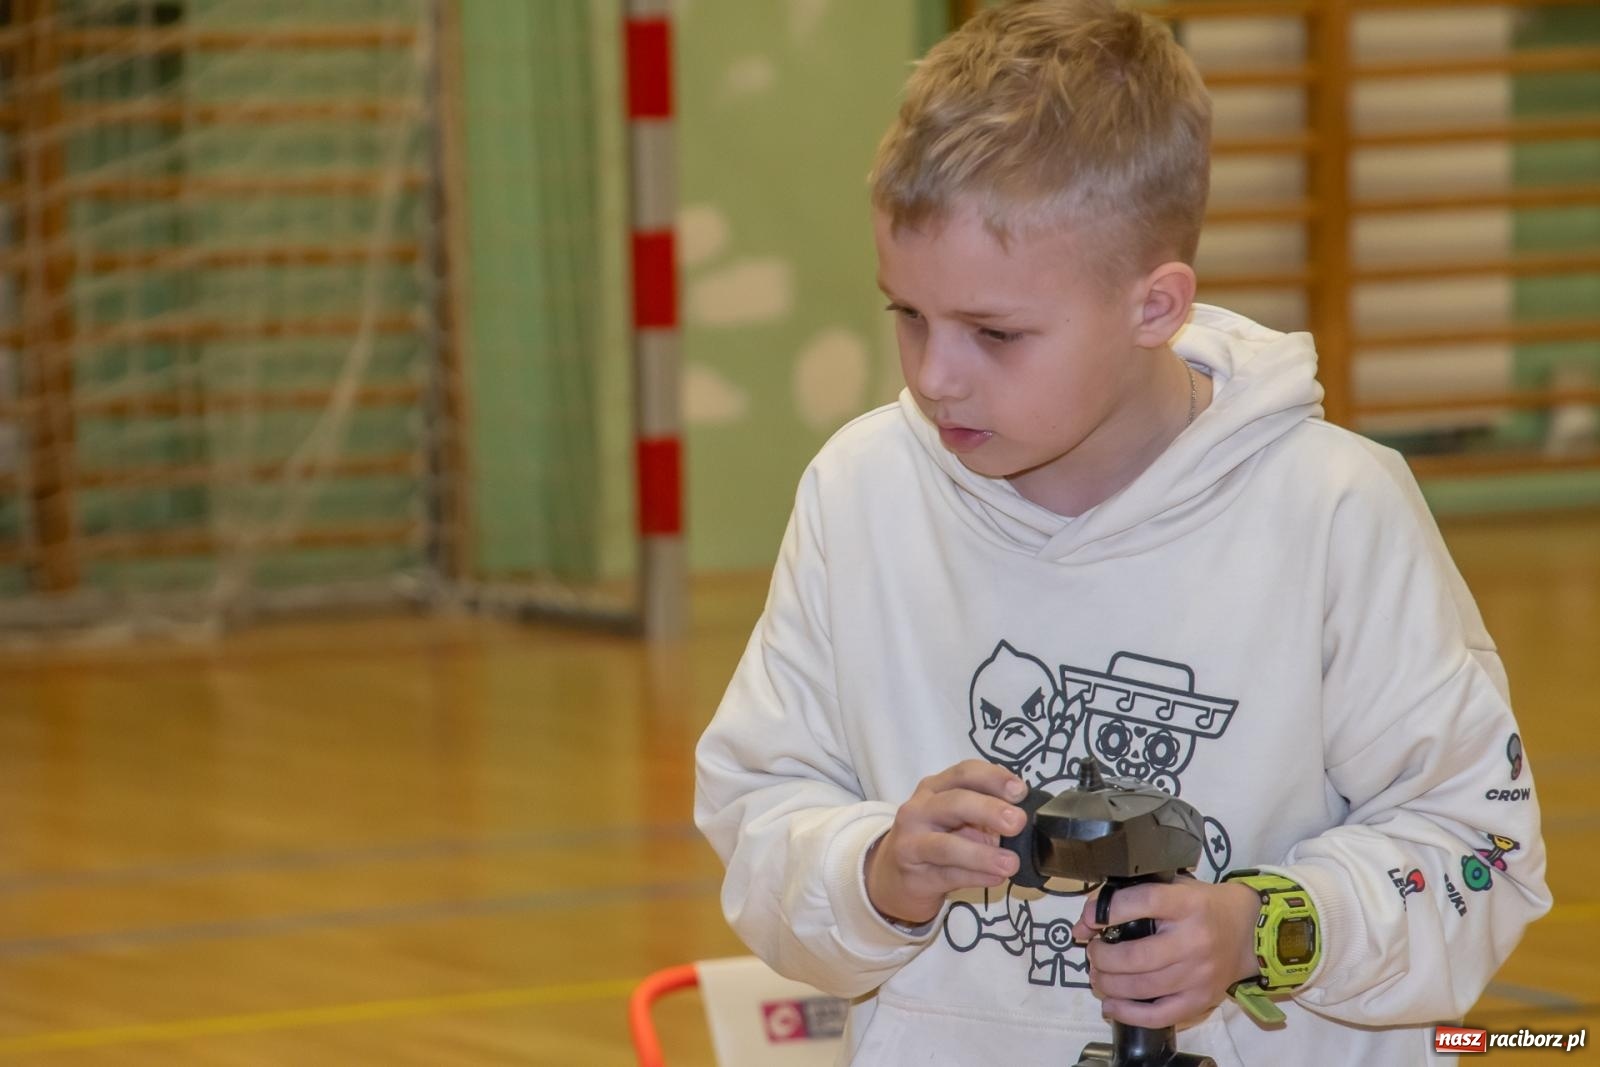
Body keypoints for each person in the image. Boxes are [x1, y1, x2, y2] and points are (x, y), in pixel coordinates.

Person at [693, 1, 1551, 1063]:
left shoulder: (1334, 510)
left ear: (1155, 306)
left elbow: (1479, 851)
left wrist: (1266, 926)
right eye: (905, 314)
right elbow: (759, 810)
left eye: (994, 332)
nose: (932, 374)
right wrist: (875, 869)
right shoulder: (860, 490)